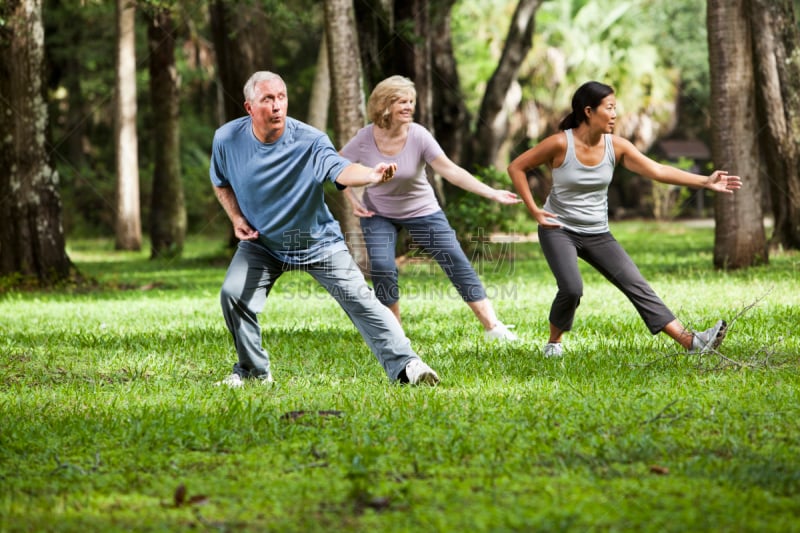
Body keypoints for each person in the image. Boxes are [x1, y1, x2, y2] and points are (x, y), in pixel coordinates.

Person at [209, 71, 439, 387]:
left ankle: (408, 366)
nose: (277, 106)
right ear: (249, 107)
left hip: (317, 242)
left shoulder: (310, 140)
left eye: (281, 97)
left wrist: (371, 175)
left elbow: (340, 170)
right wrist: (236, 218)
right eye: (268, 99)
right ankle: (253, 373)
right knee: (233, 295)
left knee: (362, 300)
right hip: (262, 243)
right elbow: (220, 181)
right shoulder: (227, 139)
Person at [507, 81, 742, 357]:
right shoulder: (560, 143)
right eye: (609, 108)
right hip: (558, 228)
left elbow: (657, 170)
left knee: (636, 284)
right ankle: (554, 342)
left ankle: (692, 342)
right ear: (588, 111)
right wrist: (535, 210)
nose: (615, 114)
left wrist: (705, 181)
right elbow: (517, 167)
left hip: (598, 233)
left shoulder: (616, 147)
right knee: (572, 288)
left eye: (615, 107)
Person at [339, 75, 522, 341]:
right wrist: (352, 199)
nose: (409, 107)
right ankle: (395, 335)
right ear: (385, 105)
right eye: (402, 101)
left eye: (411, 101)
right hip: (377, 212)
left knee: (455, 259)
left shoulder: (418, 135)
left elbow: (450, 170)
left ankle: (493, 327)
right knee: (382, 266)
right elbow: (337, 167)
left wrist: (491, 192)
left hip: (422, 209)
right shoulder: (365, 138)